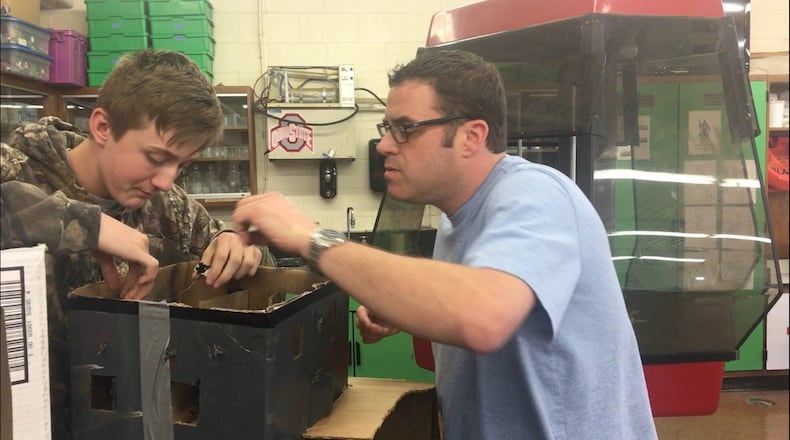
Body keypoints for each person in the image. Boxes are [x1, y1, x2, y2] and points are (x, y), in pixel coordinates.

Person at [231, 49, 657, 439]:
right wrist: (404, 308)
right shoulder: (456, 220)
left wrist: (314, 238)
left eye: (405, 130)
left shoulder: (534, 195)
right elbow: (480, 303)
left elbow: (481, 316)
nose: (383, 145)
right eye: (386, 128)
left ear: (472, 136)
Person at [0, 49, 274, 439]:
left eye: (181, 165)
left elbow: (234, 261)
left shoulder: (167, 206)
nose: (166, 180)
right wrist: (85, 224)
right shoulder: (18, 170)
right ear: (102, 127)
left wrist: (233, 245)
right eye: (156, 157)